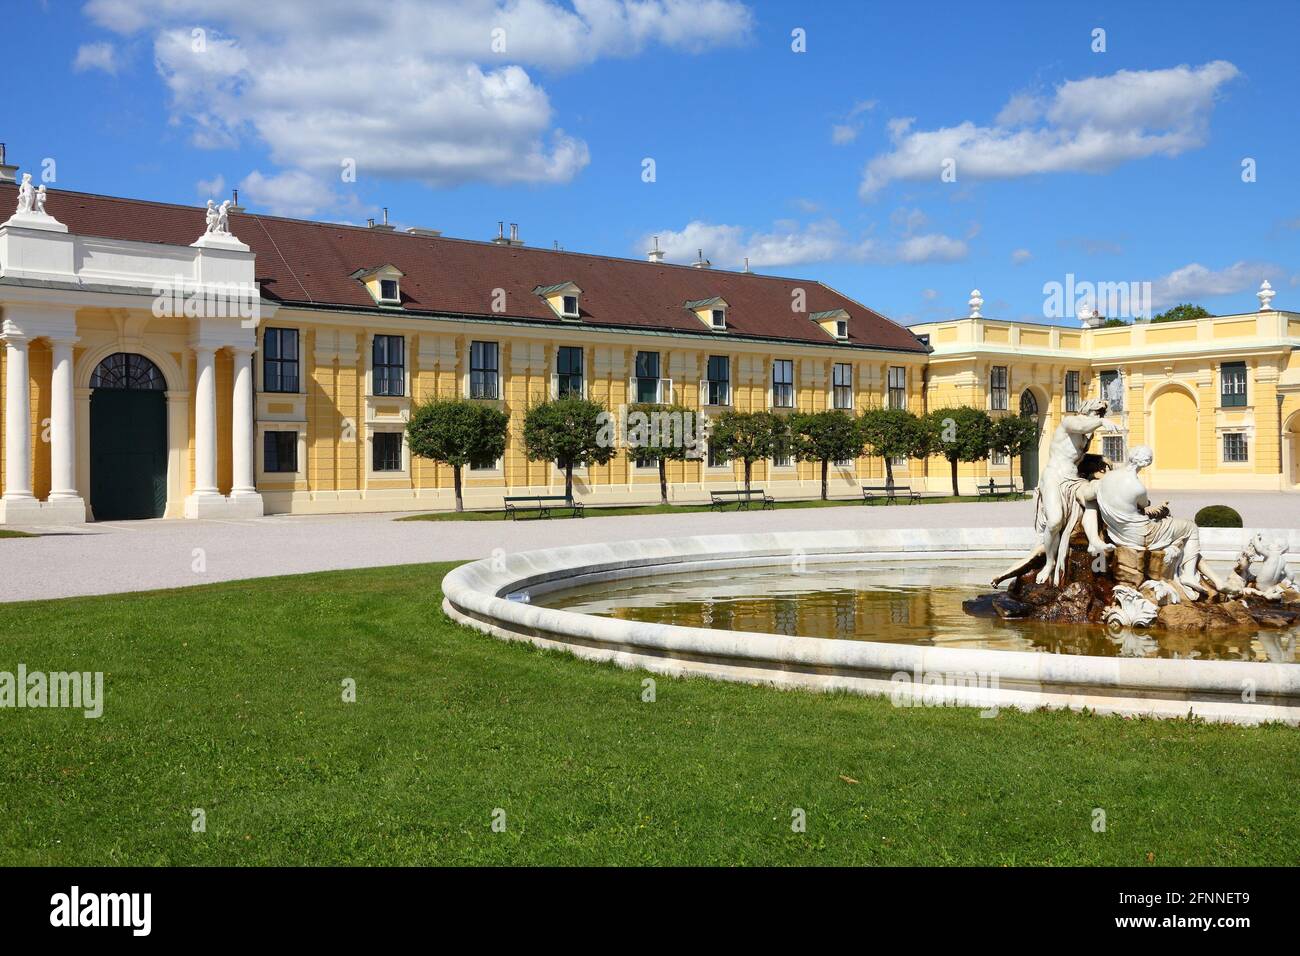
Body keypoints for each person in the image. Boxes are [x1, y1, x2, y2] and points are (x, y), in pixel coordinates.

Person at [1095, 445, 1218, 597]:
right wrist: (1158, 510)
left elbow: (1131, 507)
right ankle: (1188, 574)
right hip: (1142, 534)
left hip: (1118, 532)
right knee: (1190, 527)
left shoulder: (1108, 477)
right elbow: (1144, 504)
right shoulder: (1137, 487)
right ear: (1146, 462)